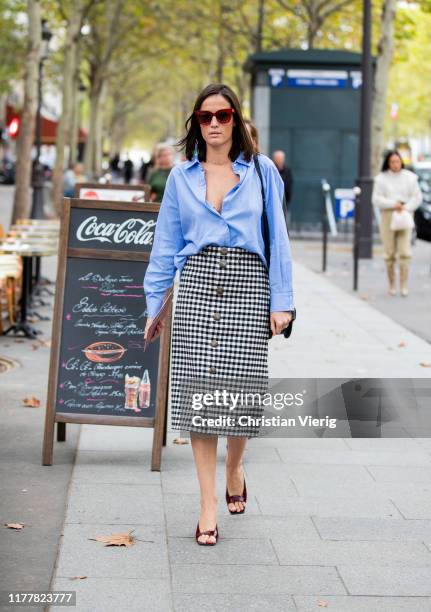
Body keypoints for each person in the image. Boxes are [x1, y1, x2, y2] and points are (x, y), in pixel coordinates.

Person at [143, 83, 294, 546]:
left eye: (223, 115)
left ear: (235, 120)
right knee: (200, 398)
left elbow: (279, 239)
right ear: (195, 124)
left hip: (249, 286)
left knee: (243, 394)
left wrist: (282, 300)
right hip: (198, 288)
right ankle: (208, 503)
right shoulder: (179, 177)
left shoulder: (263, 172)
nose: (213, 124)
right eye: (205, 117)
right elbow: (166, 244)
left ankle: (235, 467)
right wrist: (155, 303)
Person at [372, 150, 422, 297]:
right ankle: (392, 285)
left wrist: (405, 207)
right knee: (389, 252)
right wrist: (393, 204)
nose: (395, 164)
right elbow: (376, 199)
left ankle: (404, 285)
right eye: (392, 162)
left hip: (405, 214)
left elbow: (417, 197)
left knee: (405, 251)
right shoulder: (381, 179)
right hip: (388, 215)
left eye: (397, 161)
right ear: (388, 163)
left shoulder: (410, 178)